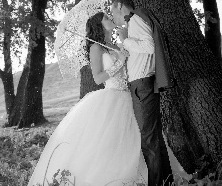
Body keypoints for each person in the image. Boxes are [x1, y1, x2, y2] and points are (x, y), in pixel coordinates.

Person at [27, 12, 148, 186]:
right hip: (111, 98)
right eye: (106, 18)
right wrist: (120, 62)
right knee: (109, 142)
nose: (110, 19)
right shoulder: (95, 48)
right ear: (99, 25)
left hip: (128, 96)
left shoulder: (113, 45)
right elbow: (98, 78)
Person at [111, 0, 175, 186]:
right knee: (154, 138)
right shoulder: (136, 21)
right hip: (143, 84)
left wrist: (126, 40)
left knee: (148, 140)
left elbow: (149, 46)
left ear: (120, 6)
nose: (113, 16)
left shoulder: (135, 19)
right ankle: (166, 181)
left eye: (113, 11)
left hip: (142, 85)